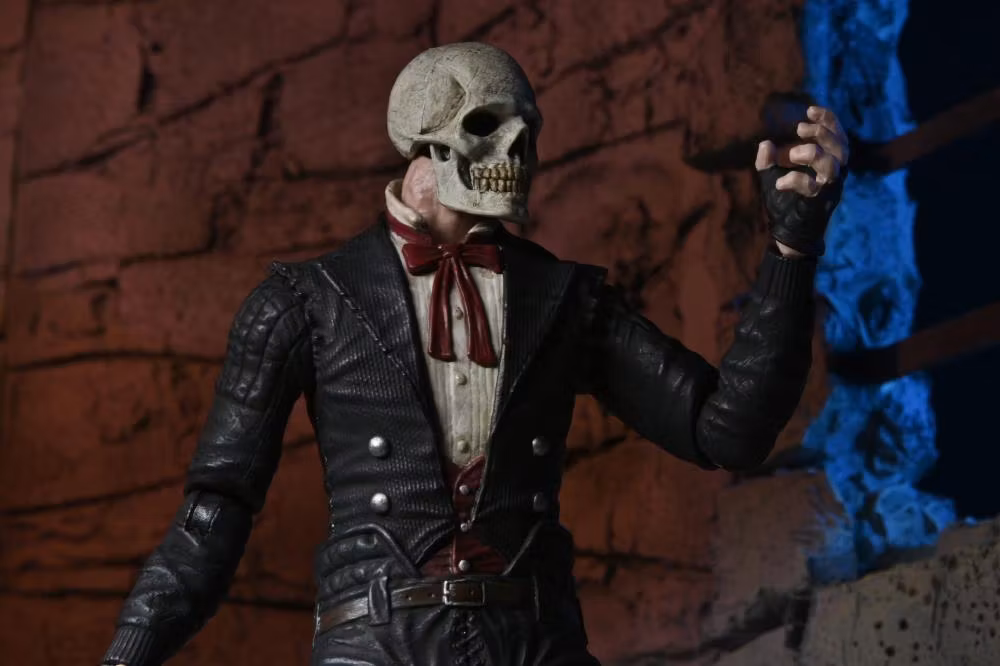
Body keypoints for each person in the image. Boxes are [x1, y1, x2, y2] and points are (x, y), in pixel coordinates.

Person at [101, 42, 848, 666]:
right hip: (375, 644)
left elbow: (726, 428)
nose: (516, 151)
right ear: (423, 144)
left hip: (535, 642)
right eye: (488, 127)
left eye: (529, 132)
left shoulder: (564, 299)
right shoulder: (306, 302)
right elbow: (215, 510)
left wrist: (792, 246)